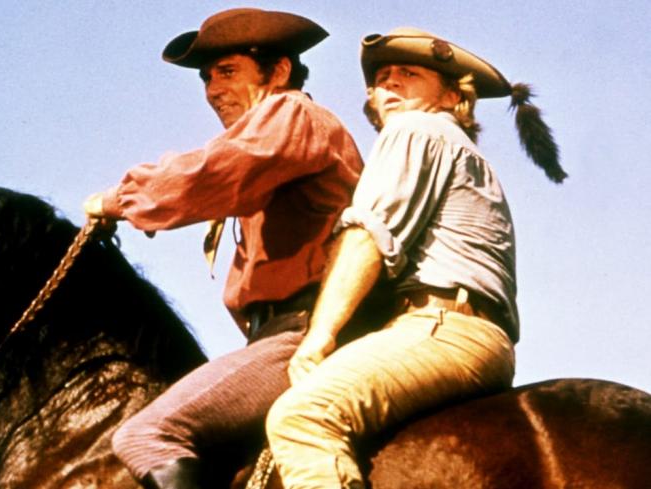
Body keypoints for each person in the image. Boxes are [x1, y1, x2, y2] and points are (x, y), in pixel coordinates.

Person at [265, 27, 567, 488]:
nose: (390, 82)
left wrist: (319, 336)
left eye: (408, 73)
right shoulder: (460, 149)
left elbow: (368, 236)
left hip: (442, 328)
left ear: (452, 97)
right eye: (382, 77)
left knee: (302, 416)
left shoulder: (416, 128)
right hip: (474, 336)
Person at [82, 8, 363, 489]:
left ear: (279, 71)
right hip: (280, 332)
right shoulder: (280, 138)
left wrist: (119, 200)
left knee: (147, 437)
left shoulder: (292, 114)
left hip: (305, 330)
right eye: (207, 79)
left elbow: (211, 172)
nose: (213, 90)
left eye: (228, 72)